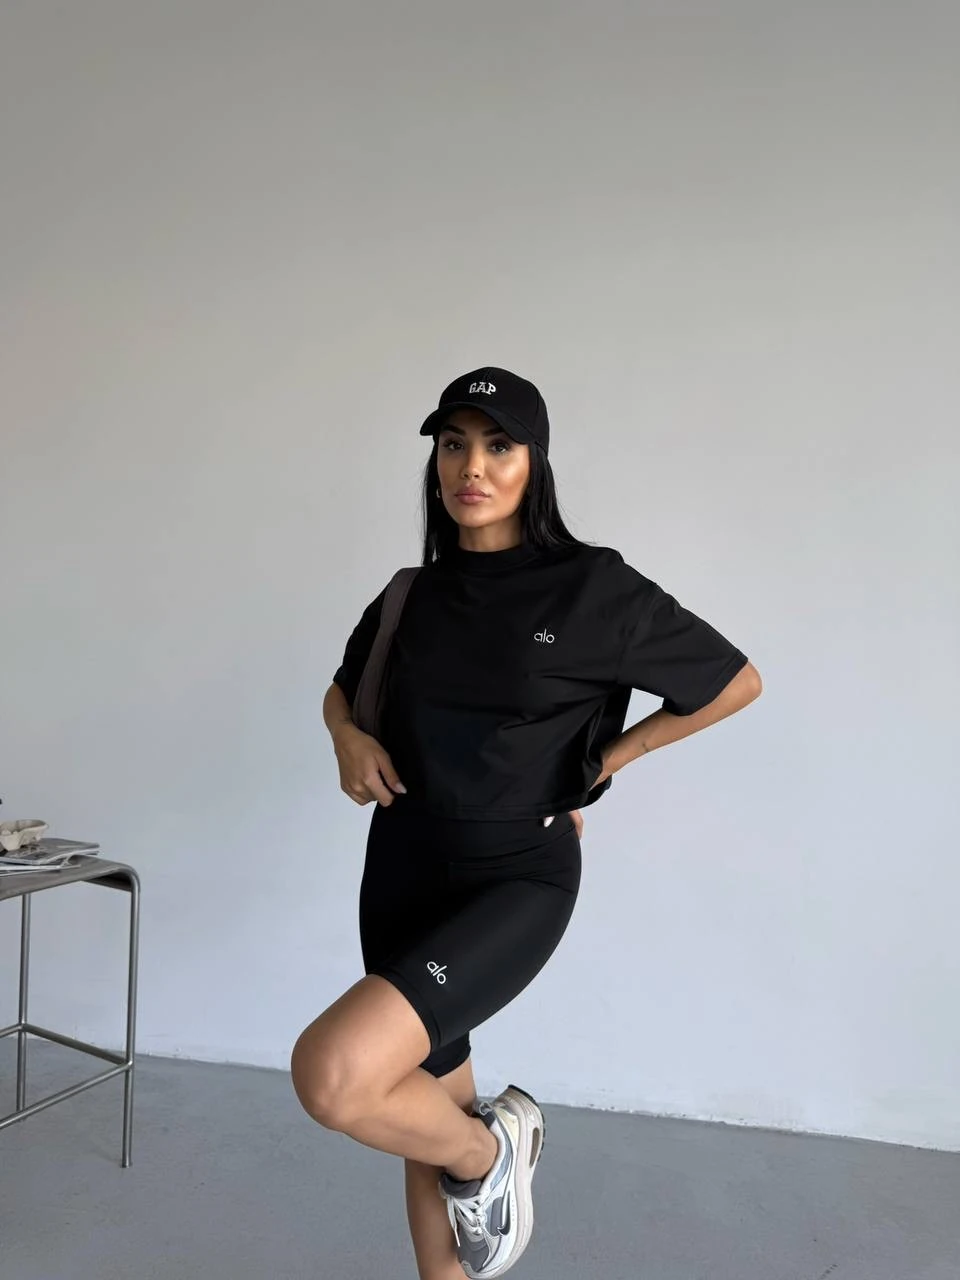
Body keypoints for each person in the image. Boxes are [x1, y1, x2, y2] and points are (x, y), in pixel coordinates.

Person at [290, 367, 762, 1280]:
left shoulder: (591, 588)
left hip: (514, 877)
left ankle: (489, 1154)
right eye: (453, 444)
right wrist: (346, 737)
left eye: (498, 445)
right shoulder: (411, 594)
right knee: (415, 1099)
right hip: (401, 867)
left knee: (336, 1076)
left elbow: (733, 681)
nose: (472, 466)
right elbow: (342, 691)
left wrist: (605, 763)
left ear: (534, 464)